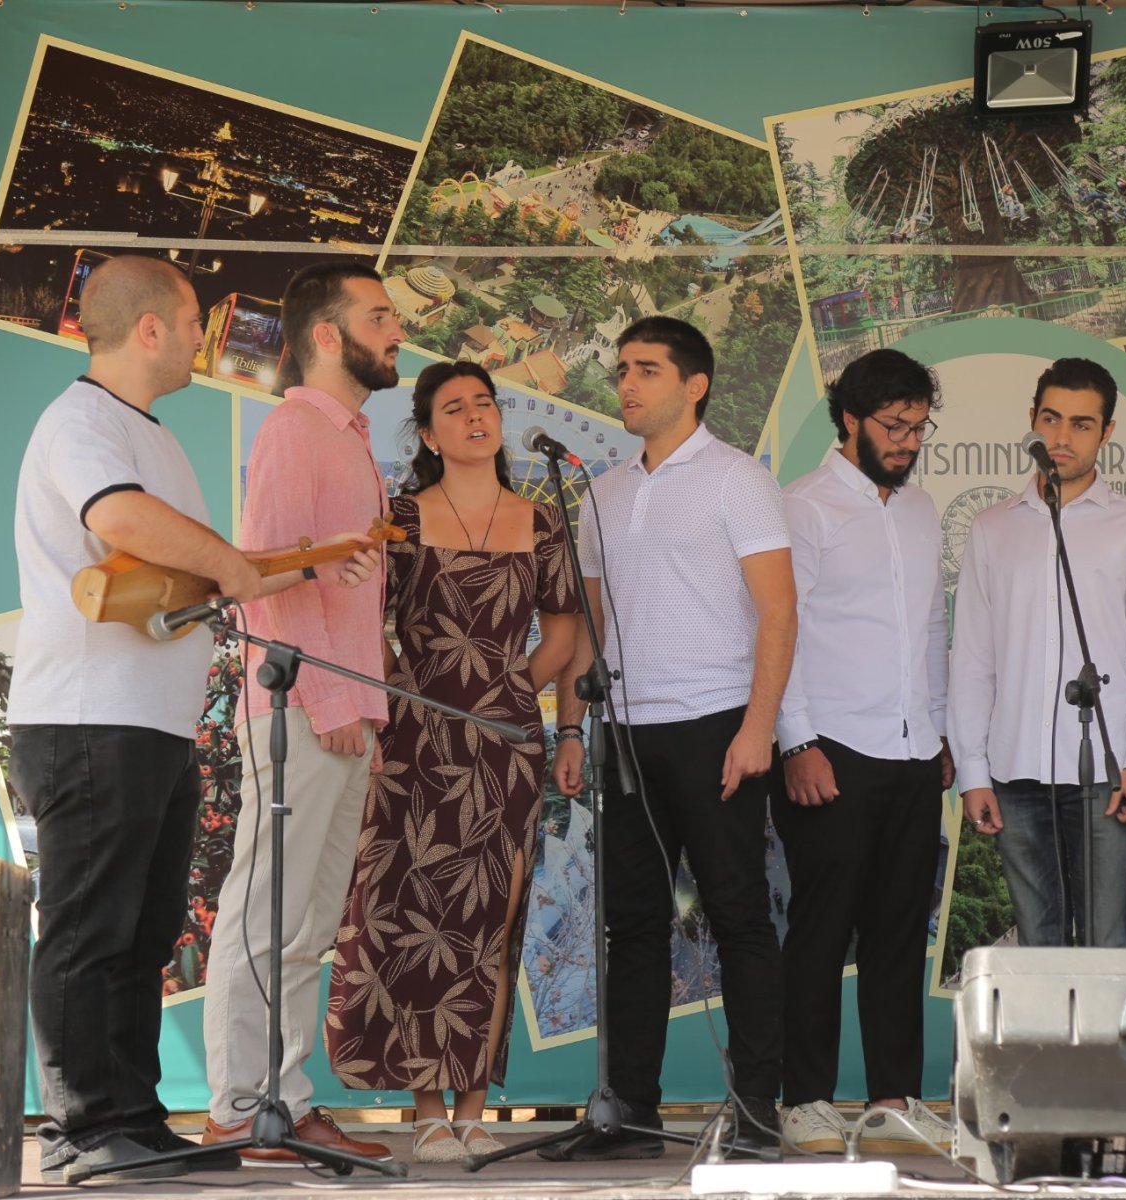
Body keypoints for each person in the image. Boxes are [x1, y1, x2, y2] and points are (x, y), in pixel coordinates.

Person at [8, 255, 374, 1184]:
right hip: (89, 718)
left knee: (144, 930)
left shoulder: (151, 434)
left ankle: (134, 1118)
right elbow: (122, 518)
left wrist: (297, 564)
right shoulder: (82, 422)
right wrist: (233, 564)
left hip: (151, 725)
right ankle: (83, 1128)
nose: (205, 340)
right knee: (92, 928)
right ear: (149, 330)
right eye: (192, 322)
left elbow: (197, 574)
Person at [549, 316, 794, 1160]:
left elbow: (779, 612)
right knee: (632, 928)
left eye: (646, 369)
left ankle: (757, 1114)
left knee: (738, 918)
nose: (626, 382)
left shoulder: (738, 480)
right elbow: (589, 626)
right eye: (622, 367)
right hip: (625, 734)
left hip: (717, 726)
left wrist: (758, 727)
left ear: (695, 386)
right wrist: (571, 728)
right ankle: (629, 1113)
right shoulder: (604, 492)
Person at [323, 362, 580, 1163]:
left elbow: (565, 633)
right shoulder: (399, 516)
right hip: (414, 744)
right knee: (414, 918)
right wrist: (403, 686)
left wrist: (507, 691)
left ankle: (473, 1108)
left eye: (485, 404)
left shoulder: (543, 520)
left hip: (506, 746)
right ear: (429, 435)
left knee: (489, 923)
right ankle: (426, 1109)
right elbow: (365, 620)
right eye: (455, 408)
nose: (476, 416)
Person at [201, 262, 405, 1164]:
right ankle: (242, 1110)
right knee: (269, 912)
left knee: (305, 925)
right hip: (305, 708)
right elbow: (265, 577)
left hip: (342, 711)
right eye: (380, 316)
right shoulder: (295, 428)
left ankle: (280, 1103)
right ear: (328, 335)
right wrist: (325, 697)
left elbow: (326, 580)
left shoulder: (346, 435)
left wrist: (357, 703)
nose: (398, 331)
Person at [771, 349, 954, 1157]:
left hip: (913, 751)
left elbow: (932, 626)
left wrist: (939, 729)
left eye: (918, 427)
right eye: (894, 425)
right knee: (821, 928)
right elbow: (779, 631)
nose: (908, 441)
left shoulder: (922, 510)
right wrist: (798, 741)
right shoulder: (802, 506)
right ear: (850, 419)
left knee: (900, 931)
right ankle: (804, 1099)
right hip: (830, 749)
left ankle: (893, 1100)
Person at [951, 357, 1126, 950]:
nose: (1062, 437)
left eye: (1082, 424)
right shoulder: (992, 528)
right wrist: (973, 772)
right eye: (1051, 419)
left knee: (1107, 942)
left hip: (1105, 774)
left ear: (1107, 433)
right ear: (1032, 419)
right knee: (1038, 946)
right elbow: (972, 660)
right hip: (1014, 773)